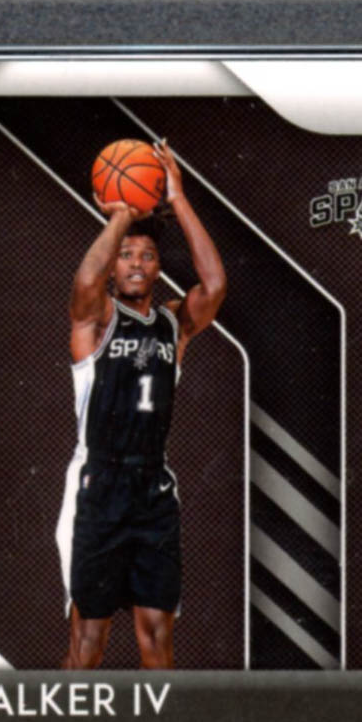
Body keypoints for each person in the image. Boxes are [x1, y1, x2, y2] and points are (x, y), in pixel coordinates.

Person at [57, 140, 227, 668]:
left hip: (152, 490)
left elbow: (214, 284)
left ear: (158, 269)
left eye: (147, 256)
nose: (136, 263)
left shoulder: (173, 324)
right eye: (126, 255)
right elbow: (86, 280)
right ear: (114, 267)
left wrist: (176, 198)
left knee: (156, 638)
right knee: (88, 644)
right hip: (98, 486)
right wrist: (123, 215)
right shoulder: (96, 321)